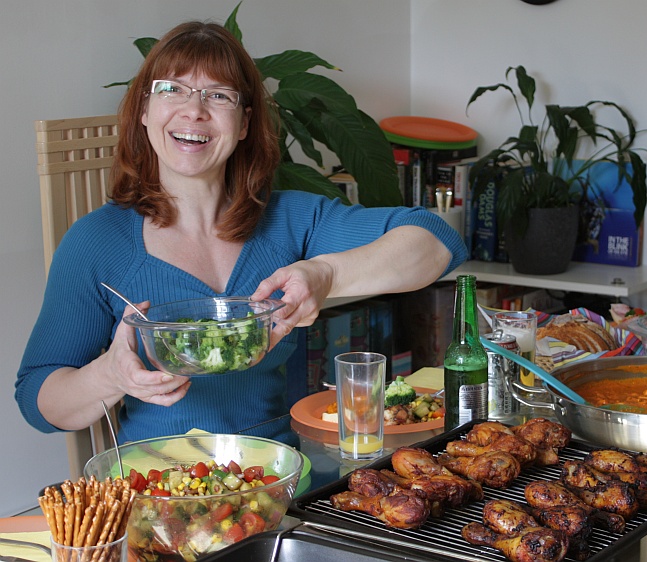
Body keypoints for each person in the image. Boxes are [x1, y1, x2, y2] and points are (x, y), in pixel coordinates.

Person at [15, 21, 467, 444]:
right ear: (144, 110)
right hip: (153, 485)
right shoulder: (97, 241)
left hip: (280, 475)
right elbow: (38, 401)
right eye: (172, 89)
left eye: (218, 96)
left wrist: (326, 273)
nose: (194, 111)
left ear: (245, 123)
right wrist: (110, 376)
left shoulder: (291, 218)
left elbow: (436, 241)